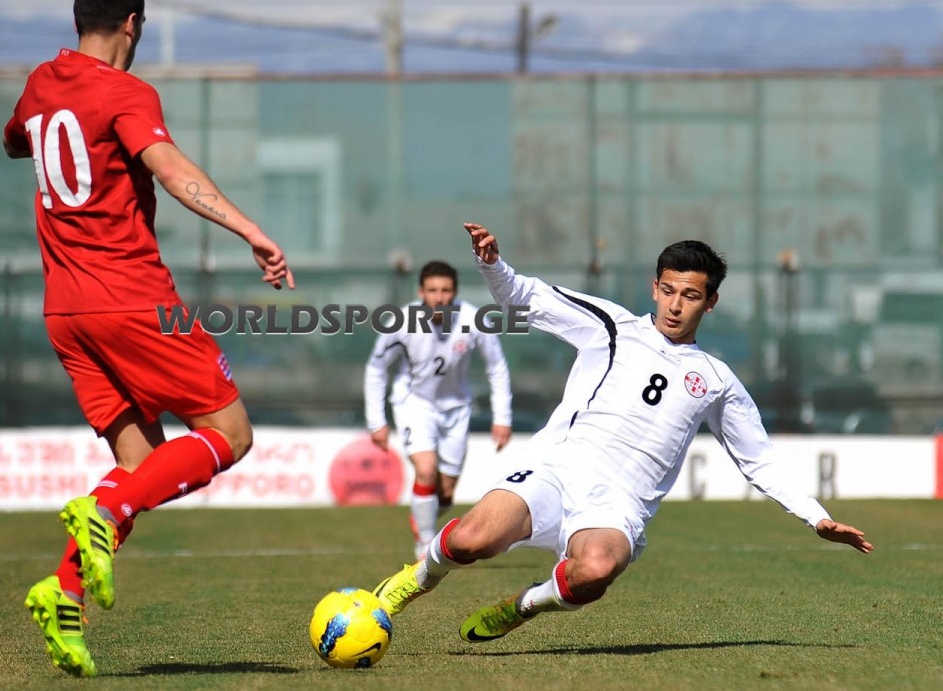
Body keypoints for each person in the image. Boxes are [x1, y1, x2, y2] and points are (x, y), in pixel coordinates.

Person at [373, 222, 873, 643]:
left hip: (618, 505)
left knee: (594, 571)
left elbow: (757, 460)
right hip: (555, 471)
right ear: (655, 287)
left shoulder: (717, 381)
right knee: (470, 539)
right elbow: (524, 296)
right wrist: (492, 264)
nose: (676, 305)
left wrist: (816, 517)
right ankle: (417, 578)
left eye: (691, 296)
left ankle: (523, 605)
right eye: (669, 290)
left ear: (711, 302)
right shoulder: (610, 326)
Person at [2, 0, 294, 677]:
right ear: (133, 23)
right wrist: (249, 229)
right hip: (131, 300)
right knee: (230, 433)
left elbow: (16, 139)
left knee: (138, 466)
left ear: (79, 19)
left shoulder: (41, 85)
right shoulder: (126, 92)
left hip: (65, 311)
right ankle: (103, 516)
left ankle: (64, 591)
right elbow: (171, 168)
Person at [364, 260, 513, 560]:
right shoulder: (401, 322)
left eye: (446, 291)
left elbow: (497, 367)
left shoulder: (473, 319)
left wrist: (502, 418)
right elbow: (376, 369)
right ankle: (425, 545)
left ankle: (423, 517)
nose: (439, 297)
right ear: (421, 292)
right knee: (426, 470)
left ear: (455, 293)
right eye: (432, 290)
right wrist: (376, 421)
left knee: (444, 494)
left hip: (456, 410)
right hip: (414, 404)